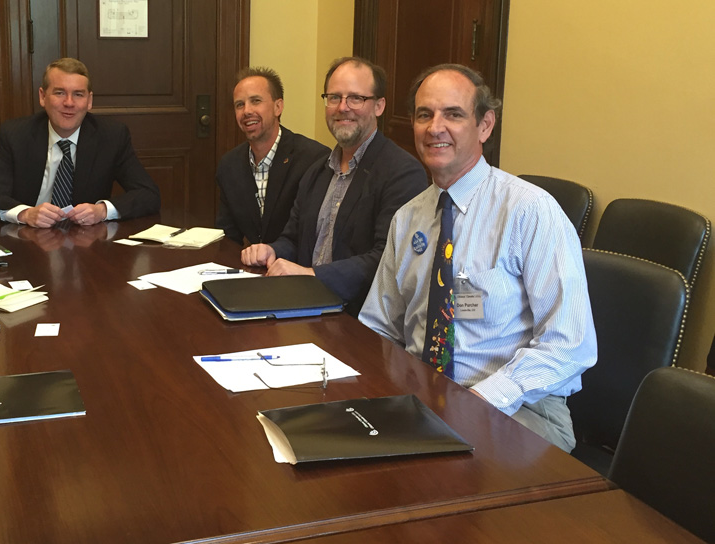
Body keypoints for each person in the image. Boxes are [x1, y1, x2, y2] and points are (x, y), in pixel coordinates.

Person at [358, 64, 597, 452]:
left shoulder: (529, 211)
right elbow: (379, 327)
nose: (436, 127)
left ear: (485, 126)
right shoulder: (408, 218)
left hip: (519, 408)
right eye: (424, 115)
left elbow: (570, 344)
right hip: (423, 400)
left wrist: (479, 401)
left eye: (453, 114)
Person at [241, 56, 427, 314]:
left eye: (355, 98)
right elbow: (294, 238)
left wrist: (311, 274)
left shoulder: (402, 173)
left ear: (379, 106)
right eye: (334, 97)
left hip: (359, 322)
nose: (342, 107)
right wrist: (271, 250)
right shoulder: (317, 170)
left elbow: (386, 260)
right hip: (304, 308)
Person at [0, 57, 161, 227]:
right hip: (29, 240)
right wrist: (26, 214)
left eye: (78, 94)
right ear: (42, 96)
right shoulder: (16, 135)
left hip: (87, 245)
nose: (69, 103)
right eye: (60, 93)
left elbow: (149, 194)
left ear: (89, 101)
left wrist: (102, 210)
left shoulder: (111, 136)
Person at [216, 67, 330, 245]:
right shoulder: (229, 165)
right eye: (240, 104)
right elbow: (228, 233)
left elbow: (311, 233)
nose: (246, 111)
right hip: (251, 267)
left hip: (296, 266)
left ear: (278, 107)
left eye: (256, 101)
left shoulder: (313, 159)